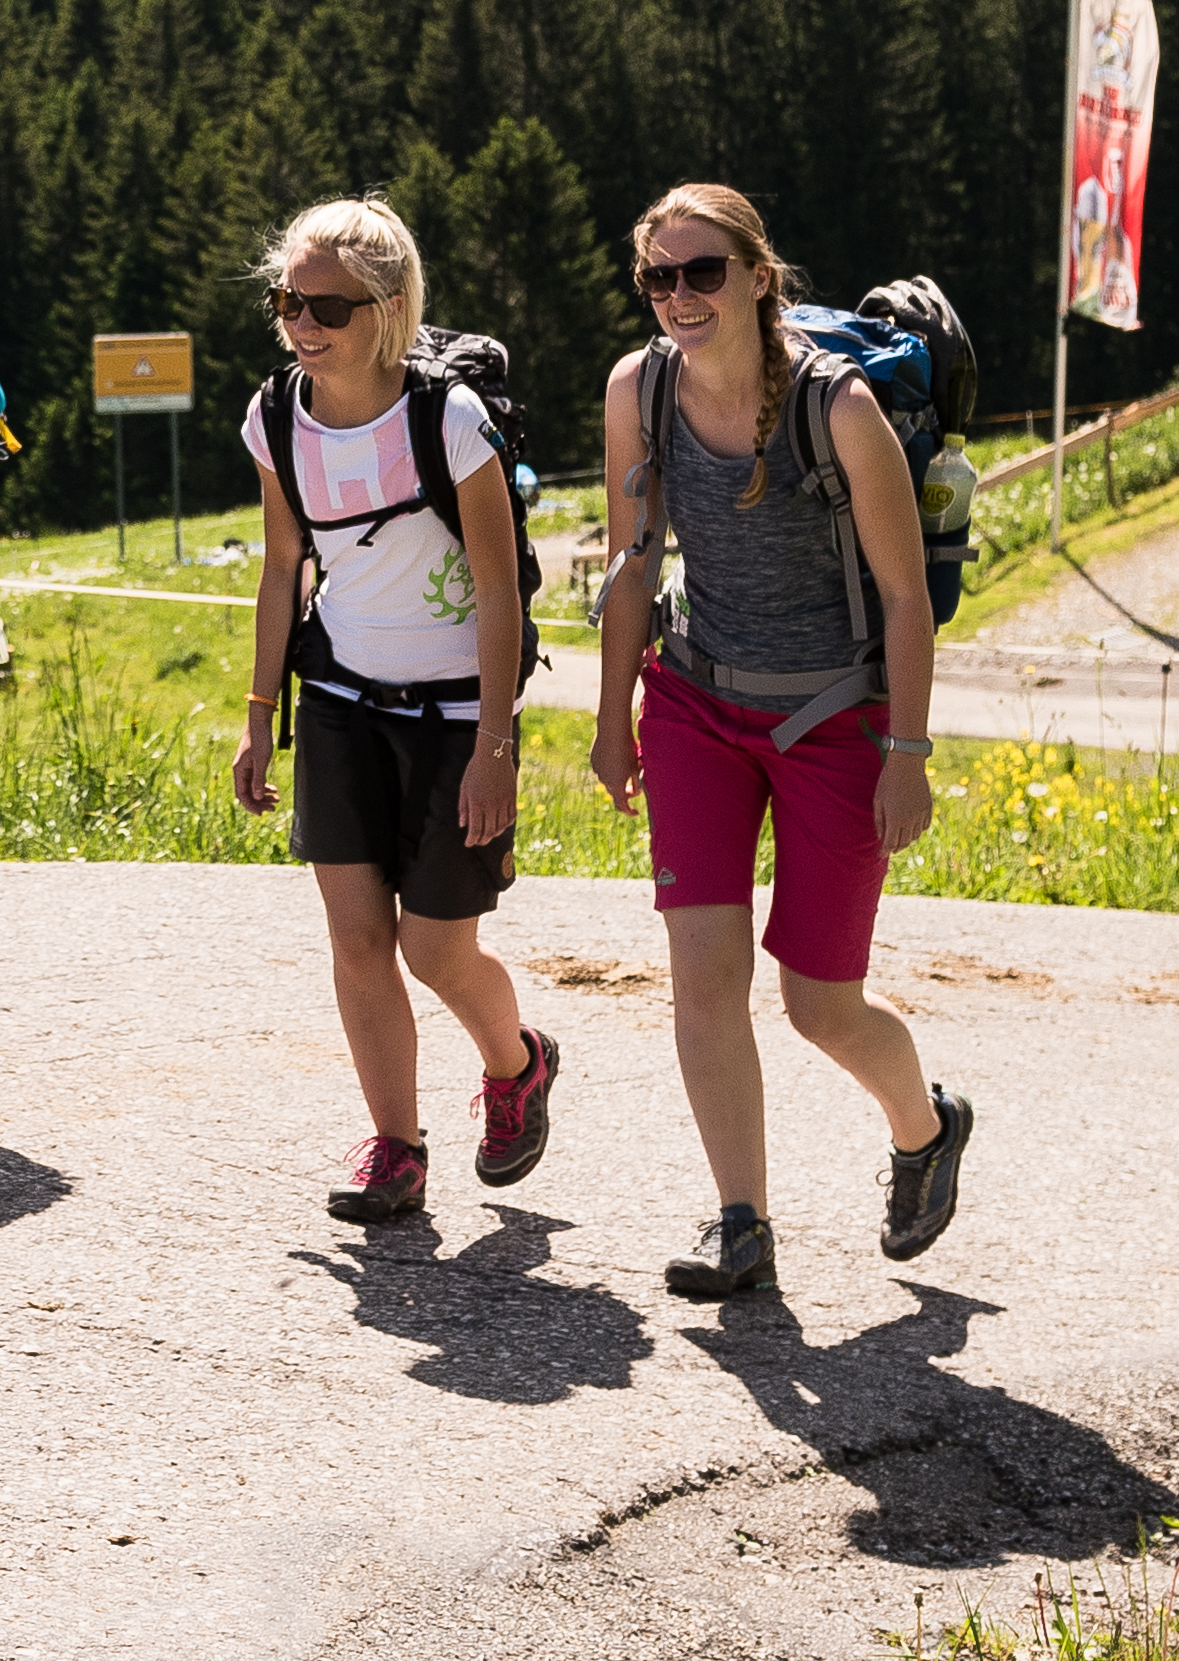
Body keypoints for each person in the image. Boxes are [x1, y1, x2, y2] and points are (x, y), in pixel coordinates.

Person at [590, 181, 973, 1300]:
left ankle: (924, 1127)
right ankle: (740, 1222)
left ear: (760, 277)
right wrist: (615, 719)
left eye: (702, 272)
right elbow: (632, 567)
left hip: (831, 723)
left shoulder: (839, 409)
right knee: (701, 978)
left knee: (819, 1002)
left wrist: (909, 754)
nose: (678, 298)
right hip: (699, 706)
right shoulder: (639, 390)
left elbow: (907, 599)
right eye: (658, 277)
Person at [231, 198, 557, 1224]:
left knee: (436, 948)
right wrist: (258, 710)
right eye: (288, 299)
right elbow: (285, 566)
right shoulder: (273, 417)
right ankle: (397, 1146)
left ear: (388, 308)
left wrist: (495, 746)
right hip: (337, 702)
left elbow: (500, 592)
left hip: (458, 716)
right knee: (359, 938)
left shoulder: (449, 423)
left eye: (326, 304)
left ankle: (517, 1065)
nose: (302, 322)